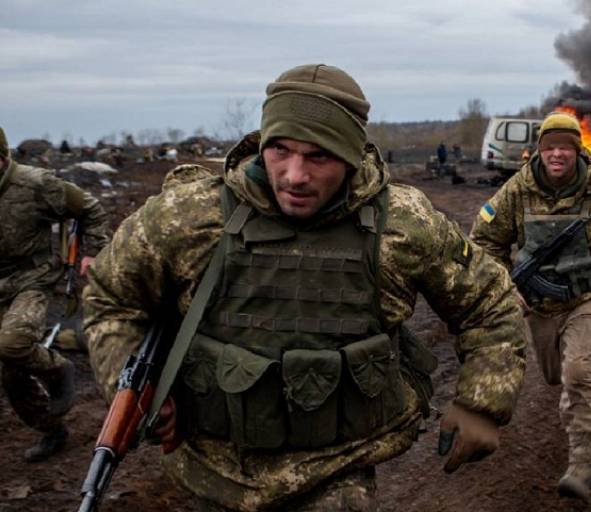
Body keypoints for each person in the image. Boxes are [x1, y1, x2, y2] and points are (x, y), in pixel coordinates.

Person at [83, 64, 526, 512]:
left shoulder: (402, 224)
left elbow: (490, 302)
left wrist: (483, 401)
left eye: (319, 156)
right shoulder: (188, 215)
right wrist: (132, 386)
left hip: (336, 470)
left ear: (351, 156)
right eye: (280, 150)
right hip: (207, 469)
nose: (295, 175)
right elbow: (110, 297)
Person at [470, 111, 591, 500]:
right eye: (550, 147)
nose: (557, 154)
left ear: (578, 151)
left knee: (577, 371)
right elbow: (484, 240)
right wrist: (506, 286)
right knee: (552, 375)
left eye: (565, 147)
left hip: (587, 296)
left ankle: (581, 460)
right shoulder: (517, 189)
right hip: (540, 304)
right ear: (539, 152)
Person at [0, 120, 109, 462]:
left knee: (11, 344)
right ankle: (51, 429)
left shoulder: (35, 184)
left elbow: (90, 210)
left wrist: (92, 252)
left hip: (31, 279)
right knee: (8, 371)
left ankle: (58, 369)